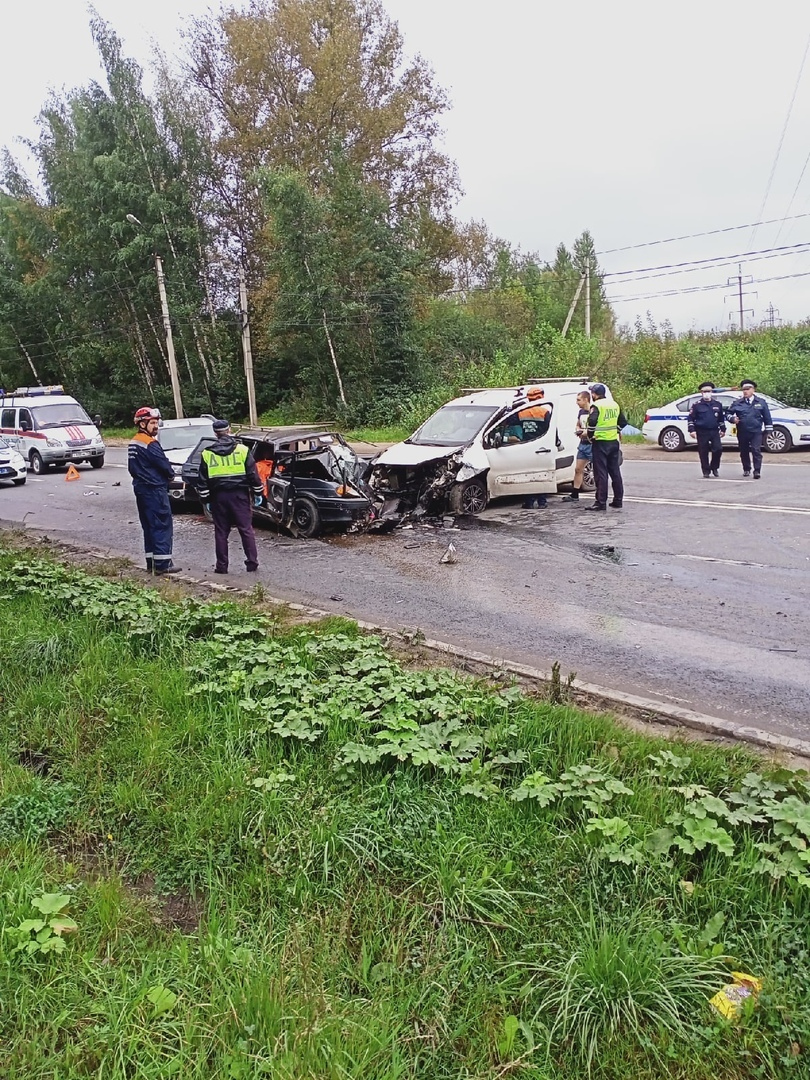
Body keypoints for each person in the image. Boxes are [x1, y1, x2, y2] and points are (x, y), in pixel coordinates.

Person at [197, 419, 264, 574]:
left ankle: (222, 566)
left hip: (218, 497)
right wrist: (258, 492)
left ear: (215, 433)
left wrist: (206, 500)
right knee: (246, 529)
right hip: (239, 496)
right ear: (229, 430)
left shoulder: (207, 453)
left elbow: (203, 481)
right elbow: (253, 475)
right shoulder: (242, 450)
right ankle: (252, 563)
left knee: (221, 532)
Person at [128, 407, 180, 574]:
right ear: (142, 424)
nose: (156, 426)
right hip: (155, 489)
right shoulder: (150, 443)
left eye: (157, 422)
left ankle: (151, 562)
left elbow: (132, 468)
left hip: (141, 489)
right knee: (161, 525)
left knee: (149, 526)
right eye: (152, 422)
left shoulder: (134, 442)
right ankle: (163, 564)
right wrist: (171, 475)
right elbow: (164, 465)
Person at [585, 384, 627, 511]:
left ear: (595, 394)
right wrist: (616, 430)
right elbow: (623, 422)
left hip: (600, 442)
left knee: (601, 473)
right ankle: (618, 500)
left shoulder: (597, 406)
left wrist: (590, 436)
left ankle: (600, 502)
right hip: (613, 441)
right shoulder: (614, 404)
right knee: (615, 472)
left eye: (592, 393)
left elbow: (592, 422)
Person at [726, 379, 773, 479]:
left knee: (756, 450)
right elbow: (728, 413)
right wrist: (733, 419)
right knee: (744, 451)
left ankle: (757, 471)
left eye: (747, 389)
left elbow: (767, 417)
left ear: (753, 390)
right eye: (743, 389)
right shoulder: (738, 403)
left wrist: (769, 430)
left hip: (756, 431)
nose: (745, 391)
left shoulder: (761, 402)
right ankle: (746, 469)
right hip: (743, 431)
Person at [516, 386, 553, 510]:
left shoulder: (521, 412)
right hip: (542, 447)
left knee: (528, 475)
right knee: (541, 474)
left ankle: (529, 502)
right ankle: (542, 502)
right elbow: (552, 430)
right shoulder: (545, 412)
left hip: (526, 447)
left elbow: (511, 424)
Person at [687, 381, 726, 478]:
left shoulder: (717, 404)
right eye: (704, 392)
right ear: (701, 393)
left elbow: (721, 418)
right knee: (703, 451)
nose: (706, 393)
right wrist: (692, 430)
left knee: (718, 449)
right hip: (702, 431)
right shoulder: (697, 405)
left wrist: (723, 429)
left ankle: (714, 467)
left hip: (714, 431)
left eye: (708, 391)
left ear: (712, 392)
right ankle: (706, 470)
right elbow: (691, 418)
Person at [562, 389, 592, 502]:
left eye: (578, 400)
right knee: (578, 469)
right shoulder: (581, 412)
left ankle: (600, 494)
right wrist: (578, 430)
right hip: (583, 443)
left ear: (586, 400)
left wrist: (587, 432)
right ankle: (575, 494)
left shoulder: (593, 411)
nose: (577, 402)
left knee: (598, 469)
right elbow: (578, 424)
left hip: (592, 444)